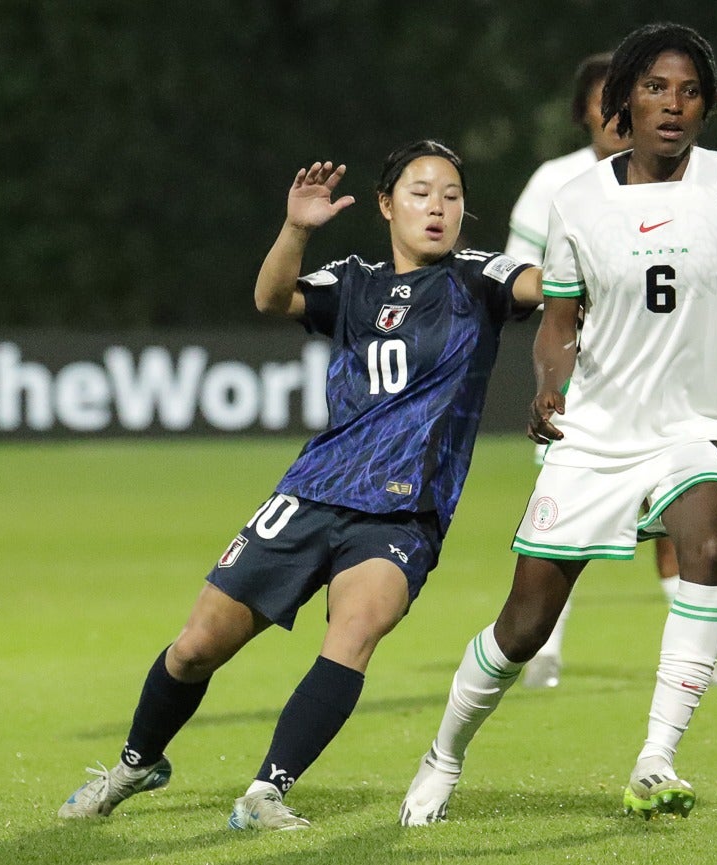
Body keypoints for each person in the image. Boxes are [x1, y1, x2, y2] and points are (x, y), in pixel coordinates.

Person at [399, 22, 717, 826]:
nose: (672, 106)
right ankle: (443, 756)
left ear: (706, 105)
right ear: (622, 103)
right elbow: (558, 321)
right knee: (523, 625)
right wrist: (547, 386)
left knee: (709, 538)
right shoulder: (578, 203)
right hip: (598, 433)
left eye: (688, 91)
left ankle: (655, 758)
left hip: (697, 426)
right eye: (654, 89)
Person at [56, 141, 543, 831]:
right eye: (419, 191)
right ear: (385, 204)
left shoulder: (478, 279)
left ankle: (266, 791)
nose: (437, 207)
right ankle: (136, 763)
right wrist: (297, 228)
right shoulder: (354, 280)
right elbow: (270, 297)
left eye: (452, 195)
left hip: (404, 511)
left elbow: (538, 283)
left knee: (353, 632)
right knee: (196, 646)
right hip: (313, 490)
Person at [506, 51, 717, 690]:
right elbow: (514, 274)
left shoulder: (692, 179)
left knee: (685, 516)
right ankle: (545, 654)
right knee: (566, 531)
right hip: (590, 391)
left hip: (674, 392)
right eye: (600, 102)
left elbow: (707, 280)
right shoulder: (558, 184)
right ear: (588, 110)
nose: (613, 113)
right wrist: (573, 292)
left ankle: (692, 652)